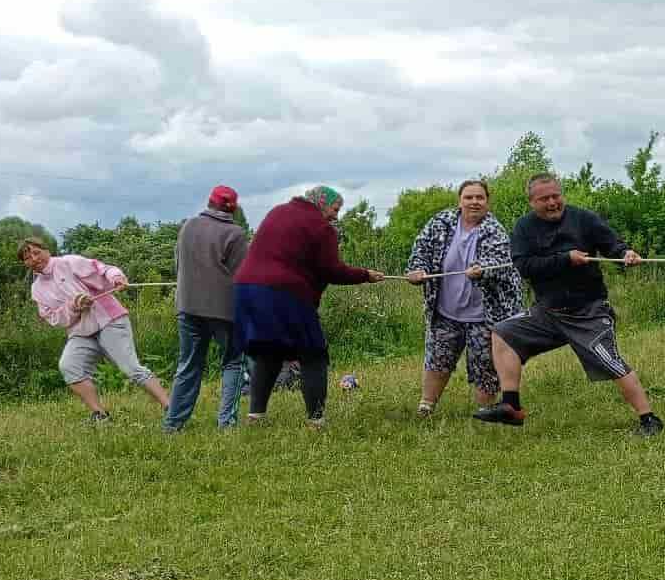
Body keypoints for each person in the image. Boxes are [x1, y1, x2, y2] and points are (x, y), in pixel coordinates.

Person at [473, 174, 664, 436]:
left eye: (556, 196)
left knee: (611, 362)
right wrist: (565, 259)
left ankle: (649, 420)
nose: (552, 202)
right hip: (547, 313)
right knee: (503, 333)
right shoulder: (523, 228)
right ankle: (511, 406)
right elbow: (524, 266)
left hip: (589, 311)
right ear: (532, 202)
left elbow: (612, 244)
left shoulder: (583, 218)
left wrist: (624, 254)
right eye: (545, 199)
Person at [232, 184, 383, 428]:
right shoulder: (322, 228)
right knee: (313, 355)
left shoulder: (278, 212)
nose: (336, 215)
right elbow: (332, 270)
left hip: (245, 289)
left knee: (268, 352)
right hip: (282, 292)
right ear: (321, 202)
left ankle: (255, 416)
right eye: (335, 209)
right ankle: (316, 421)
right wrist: (365, 274)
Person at [403, 179, 523, 417]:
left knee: (485, 365)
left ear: (487, 202)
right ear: (460, 200)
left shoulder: (494, 230)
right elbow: (421, 250)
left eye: (480, 197)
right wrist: (416, 271)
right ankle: (426, 406)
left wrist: (482, 269)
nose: (474, 202)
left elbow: (499, 263)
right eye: (469, 197)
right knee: (438, 358)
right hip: (446, 311)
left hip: (485, 315)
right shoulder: (441, 222)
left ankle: (485, 411)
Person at [21, 239, 172, 422]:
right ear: (25, 263)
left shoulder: (68, 262)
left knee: (131, 368)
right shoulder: (37, 289)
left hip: (109, 320)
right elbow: (54, 319)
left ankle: (172, 409)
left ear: (46, 250)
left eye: (37, 252)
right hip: (80, 331)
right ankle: (99, 415)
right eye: (28, 257)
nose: (34, 259)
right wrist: (74, 307)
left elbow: (103, 269)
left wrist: (116, 277)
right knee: (69, 366)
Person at [163, 185, 249, 432]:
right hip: (224, 311)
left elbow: (178, 263)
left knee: (188, 365)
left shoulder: (188, 226)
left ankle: (173, 424)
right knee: (233, 362)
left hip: (188, 306)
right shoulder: (235, 233)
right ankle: (226, 424)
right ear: (232, 208)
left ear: (209, 203)